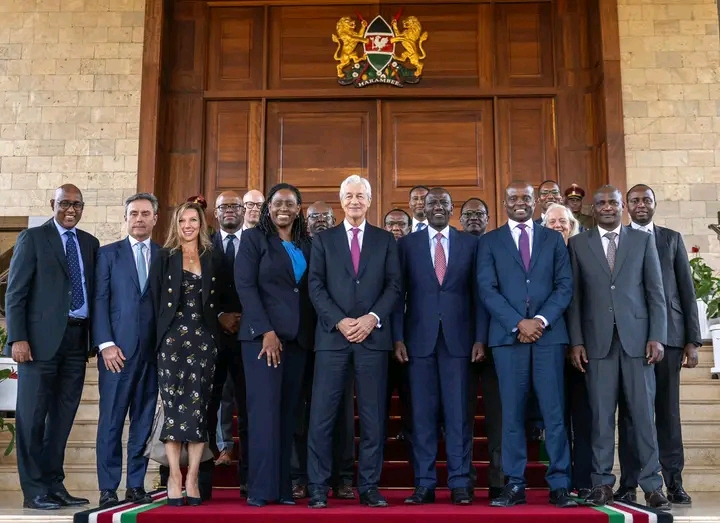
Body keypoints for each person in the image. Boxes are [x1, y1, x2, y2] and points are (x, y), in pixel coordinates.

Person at [567, 185, 671, 510]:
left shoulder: (642, 240)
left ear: (622, 206)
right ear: (592, 208)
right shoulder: (577, 244)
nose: (608, 207)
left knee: (643, 417)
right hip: (597, 345)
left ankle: (652, 485)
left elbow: (656, 293)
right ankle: (601, 484)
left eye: (613, 202)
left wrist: (657, 335)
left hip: (639, 343)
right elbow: (575, 301)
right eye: (601, 203)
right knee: (600, 418)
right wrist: (576, 341)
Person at [477, 181, 575, 508]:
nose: (520, 203)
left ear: (536, 202)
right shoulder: (490, 242)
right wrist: (518, 322)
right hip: (508, 339)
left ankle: (560, 484)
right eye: (513, 198)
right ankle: (514, 484)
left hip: (548, 338)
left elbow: (564, 286)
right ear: (503, 202)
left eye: (526, 198)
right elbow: (487, 289)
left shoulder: (552, 239)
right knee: (512, 415)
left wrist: (540, 321)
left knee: (554, 413)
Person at [307, 174, 401, 509]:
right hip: (333, 339)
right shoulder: (323, 240)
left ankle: (370, 487)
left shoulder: (385, 240)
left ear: (370, 200)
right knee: (323, 415)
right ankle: (318, 486)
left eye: (361, 195)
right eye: (349, 195)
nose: (355, 201)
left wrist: (371, 318)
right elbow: (315, 286)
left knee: (374, 417)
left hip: (373, 339)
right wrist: (340, 321)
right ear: (341, 200)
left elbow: (394, 286)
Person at [5, 184, 99, 510]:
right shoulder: (32, 239)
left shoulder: (89, 243)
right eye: (64, 204)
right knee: (31, 420)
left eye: (77, 205)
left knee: (61, 419)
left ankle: (54, 485)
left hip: (76, 341)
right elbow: (15, 293)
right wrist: (17, 338)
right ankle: (34, 492)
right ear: (52, 204)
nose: (70, 210)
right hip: (37, 344)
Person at [393, 187, 487, 506]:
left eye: (443, 204)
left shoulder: (470, 244)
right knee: (422, 415)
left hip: (460, 342)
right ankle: (424, 483)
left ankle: (460, 482)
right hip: (418, 342)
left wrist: (480, 337)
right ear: (423, 208)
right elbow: (396, 295)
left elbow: (480, 295)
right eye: (431, 203)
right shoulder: (406, 245)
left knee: (459, 414)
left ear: (451, 209)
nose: (436, 208)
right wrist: (397, 337)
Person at [615, 184, 700, 506]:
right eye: (634, 200)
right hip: (632, 339)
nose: (640, 205)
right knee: (632, 415)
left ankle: (673, 482)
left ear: (654, 204)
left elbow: (686, 290)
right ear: (626, 205)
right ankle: (629, 482)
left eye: (646, 200)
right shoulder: (618, 238)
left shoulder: (671, 238)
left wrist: (692, 341)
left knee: (667, 413)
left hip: (670, 337)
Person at [234, 183, 314, 506]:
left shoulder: (307, 244)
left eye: (290, 204)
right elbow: (245, 285)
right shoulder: (254, 240)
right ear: (268, 207)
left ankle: (282, 489)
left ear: (299, 209)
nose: (284, 208)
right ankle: (260, 489)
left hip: (298, 342)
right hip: (262, 341)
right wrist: (265, 330)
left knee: (288, 416)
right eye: (277, 203)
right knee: (264, 413)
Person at [149, 201, 219, 506]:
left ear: (201, 224)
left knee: (199, 409)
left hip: (204, 341)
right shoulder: (164, 257)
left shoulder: (213, 257)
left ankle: (193, 477)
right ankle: (174, 476)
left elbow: (224, 298)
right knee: (175, 409)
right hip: (172, 342)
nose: (188, 225)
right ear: (175, 225)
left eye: (193, 220)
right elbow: (153, 302)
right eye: (182, 220)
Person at [93, 193, 160, 507]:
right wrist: (105, 344)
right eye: (134, 213)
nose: (139, 219)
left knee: (144, 422)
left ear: (155, 218)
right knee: (111, 421)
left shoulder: (164, 256)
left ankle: (136, 484)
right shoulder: (108, 255)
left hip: (152, 354)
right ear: (126, 217)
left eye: (145, 213)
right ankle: (108, 487)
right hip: (116, 354)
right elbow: (99, 301)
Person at [292, 202, 356, 500]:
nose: (319, 221)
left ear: (334, 220)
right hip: (301, 341)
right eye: (313, 217)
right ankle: (300, 475)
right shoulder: (295, 248)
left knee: (340, 411)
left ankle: (342, 477)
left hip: (335, 340)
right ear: (305, 222)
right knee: (302, 414)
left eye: (325, 217)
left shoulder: (341, 245)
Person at [541, 203, 591, 499]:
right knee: (553, 415)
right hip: (547, 343)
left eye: (563, 221)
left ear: (572, 225)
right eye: (551, 222)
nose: (558, 225)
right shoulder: (538, 253)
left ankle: (582, 478)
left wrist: (579, 341)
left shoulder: (583, 249)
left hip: (583, 344)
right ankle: (557, 476)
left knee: (581, 415)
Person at [459, 197, 503, 499]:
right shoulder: (454, 245)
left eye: (480, 213)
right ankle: (464, 480)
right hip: (456, 345)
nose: (474, 218)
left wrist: (484, 337)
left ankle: (499, 480)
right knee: (460, 416)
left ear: (489, 218)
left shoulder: (498, 245)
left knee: (498, 416)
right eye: (468, 214)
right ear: (459, 219)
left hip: (495, 343)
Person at [207, 191, 249, 495]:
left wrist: (247, 318)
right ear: (216, 213)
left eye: (235, 206)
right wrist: (219, 315)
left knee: (248, 408)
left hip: (249, 336)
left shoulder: (256, 240)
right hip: (212, 337)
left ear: (244, 210)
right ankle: (205, 477)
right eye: (224, 207)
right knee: (209, 406)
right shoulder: (203, 243)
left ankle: (249, 478)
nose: (230, 211)